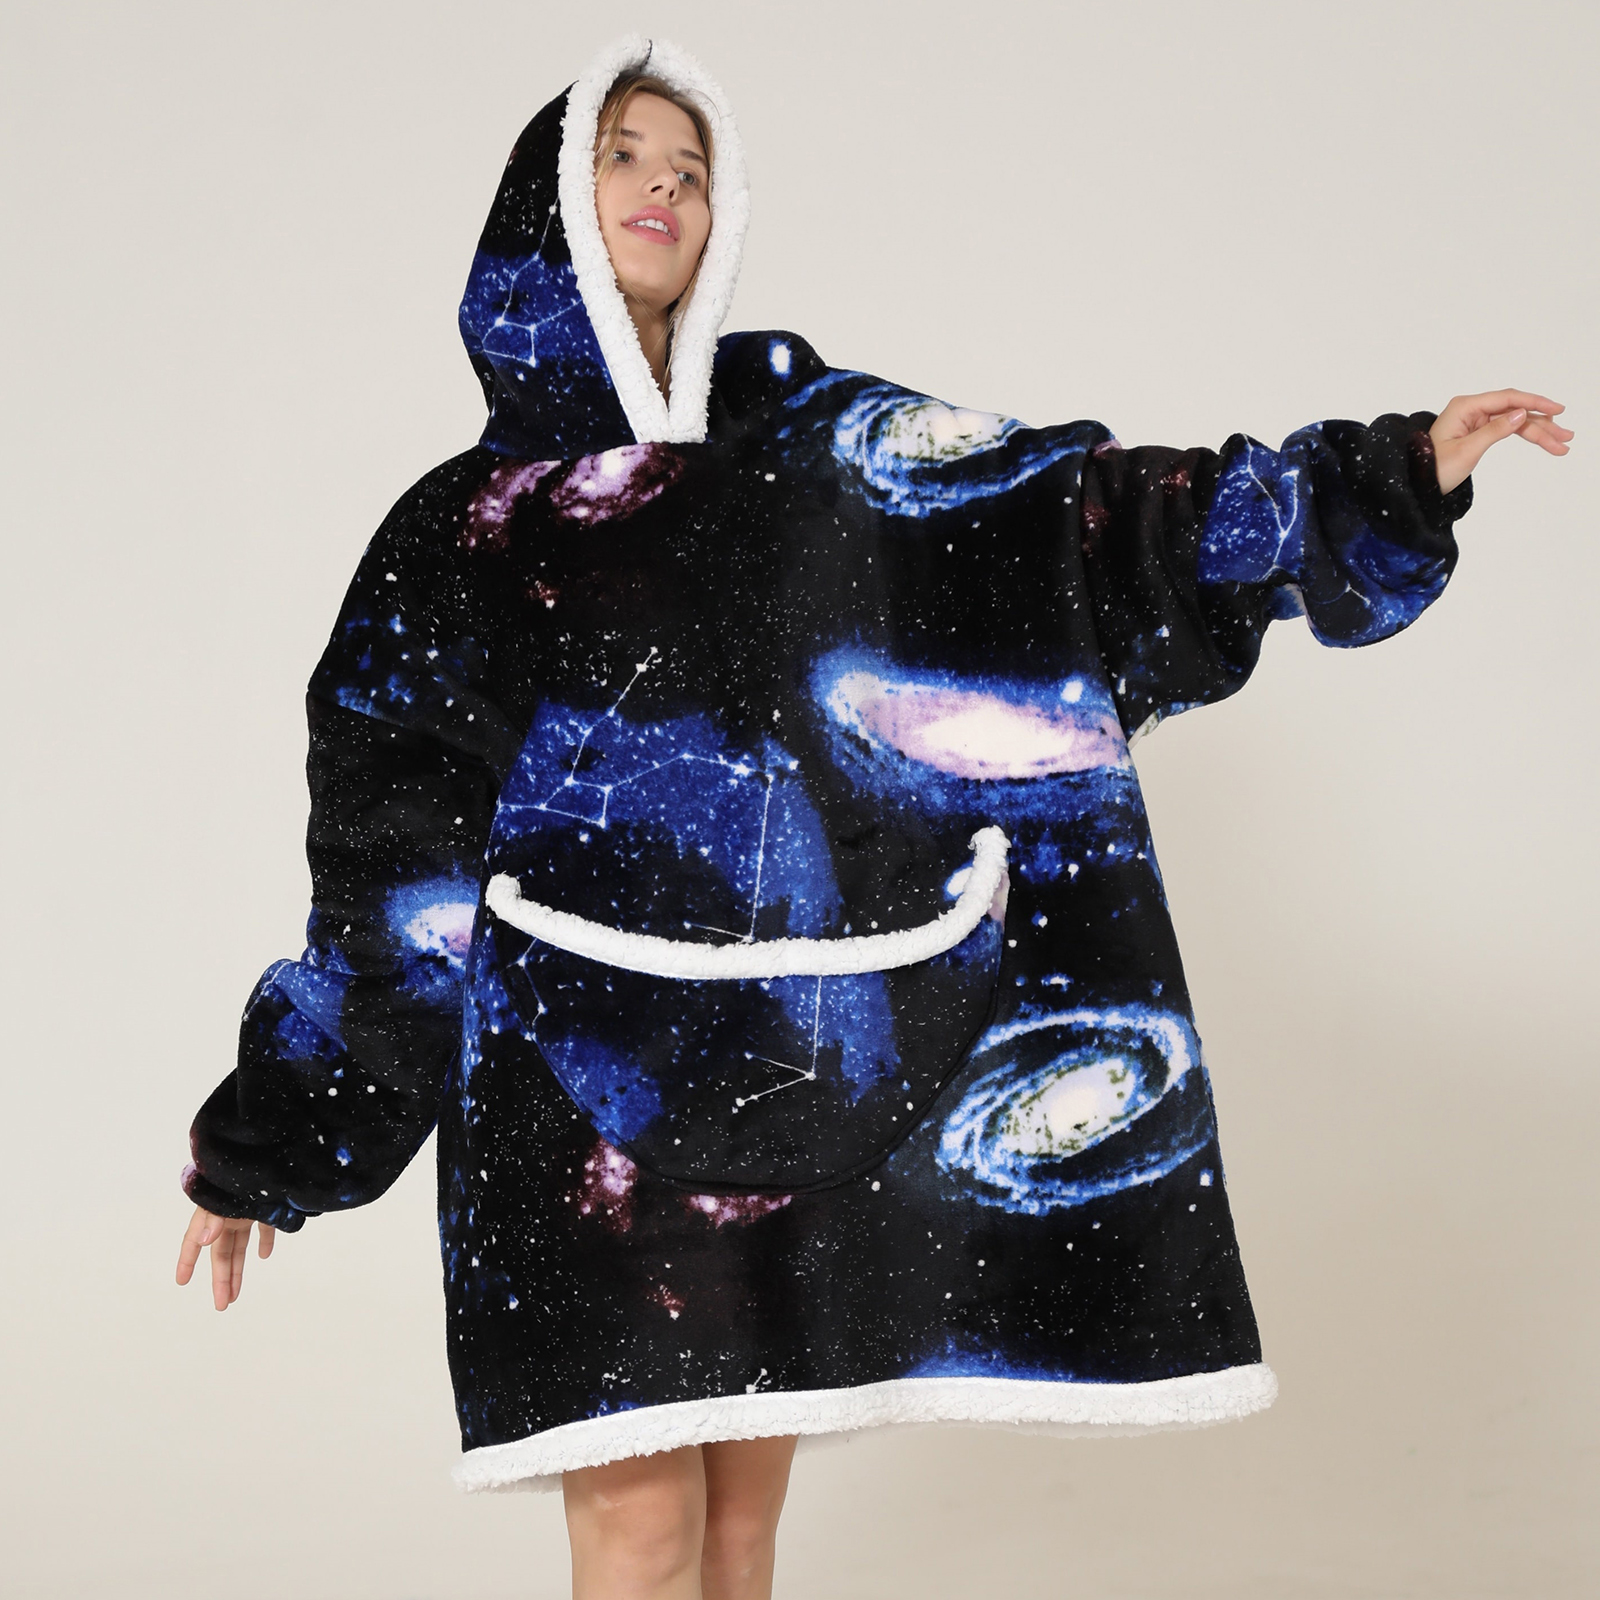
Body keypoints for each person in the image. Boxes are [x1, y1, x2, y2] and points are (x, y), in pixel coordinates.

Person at [174, 34, 1570, 1600]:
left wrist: (1382, 479)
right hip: (575, 1104)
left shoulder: (825, 449)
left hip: (802, 1089)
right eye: (624, 154)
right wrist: (278, 1140)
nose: (663, 185)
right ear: (546, 201)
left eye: (691, 167)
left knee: (739, 1532)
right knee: (638, 1533)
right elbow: (391, 881)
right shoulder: (457, 533)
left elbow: (1080, 524)